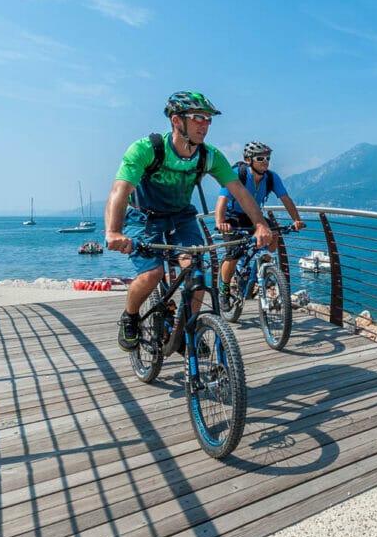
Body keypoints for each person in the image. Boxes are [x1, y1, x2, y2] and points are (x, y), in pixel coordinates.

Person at [105, 91, 274, 351]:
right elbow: (120, 190)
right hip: (143, 217)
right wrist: (114, 231)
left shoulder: (209, 156)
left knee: (197, 272)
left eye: (208, 119)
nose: (205, 125)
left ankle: (187, 332)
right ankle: (130, 316)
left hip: (181, 216)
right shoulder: (146, 149)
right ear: (176, 121)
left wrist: (261, 224)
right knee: (152, 274)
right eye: (198, 118)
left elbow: (239, 191)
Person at [215, 140, 306, 303]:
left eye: (267, 158)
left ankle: (261, 266)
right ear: (248, 159)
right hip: (233, 216)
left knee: (274, 233)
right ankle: (224, 289)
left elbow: (286, 199)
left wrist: (297, 220)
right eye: (260, 158)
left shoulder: (272, 177)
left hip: (253, 215)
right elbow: (222, 199)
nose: (265, 161)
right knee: (233, 254)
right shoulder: (237, 173)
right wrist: (220, 222)